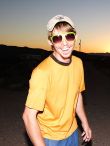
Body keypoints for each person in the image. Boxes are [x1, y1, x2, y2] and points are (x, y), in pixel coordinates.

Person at [22, 15, 92, 146]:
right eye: (57, 38)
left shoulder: (78, 63)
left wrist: (85, 123)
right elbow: (28, 116)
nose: (65, 43)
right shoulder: (42, 72)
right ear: (50, 42)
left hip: (72, 132)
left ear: (75, 37)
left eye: (69, 36)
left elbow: (77, 95)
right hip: (50, 138)